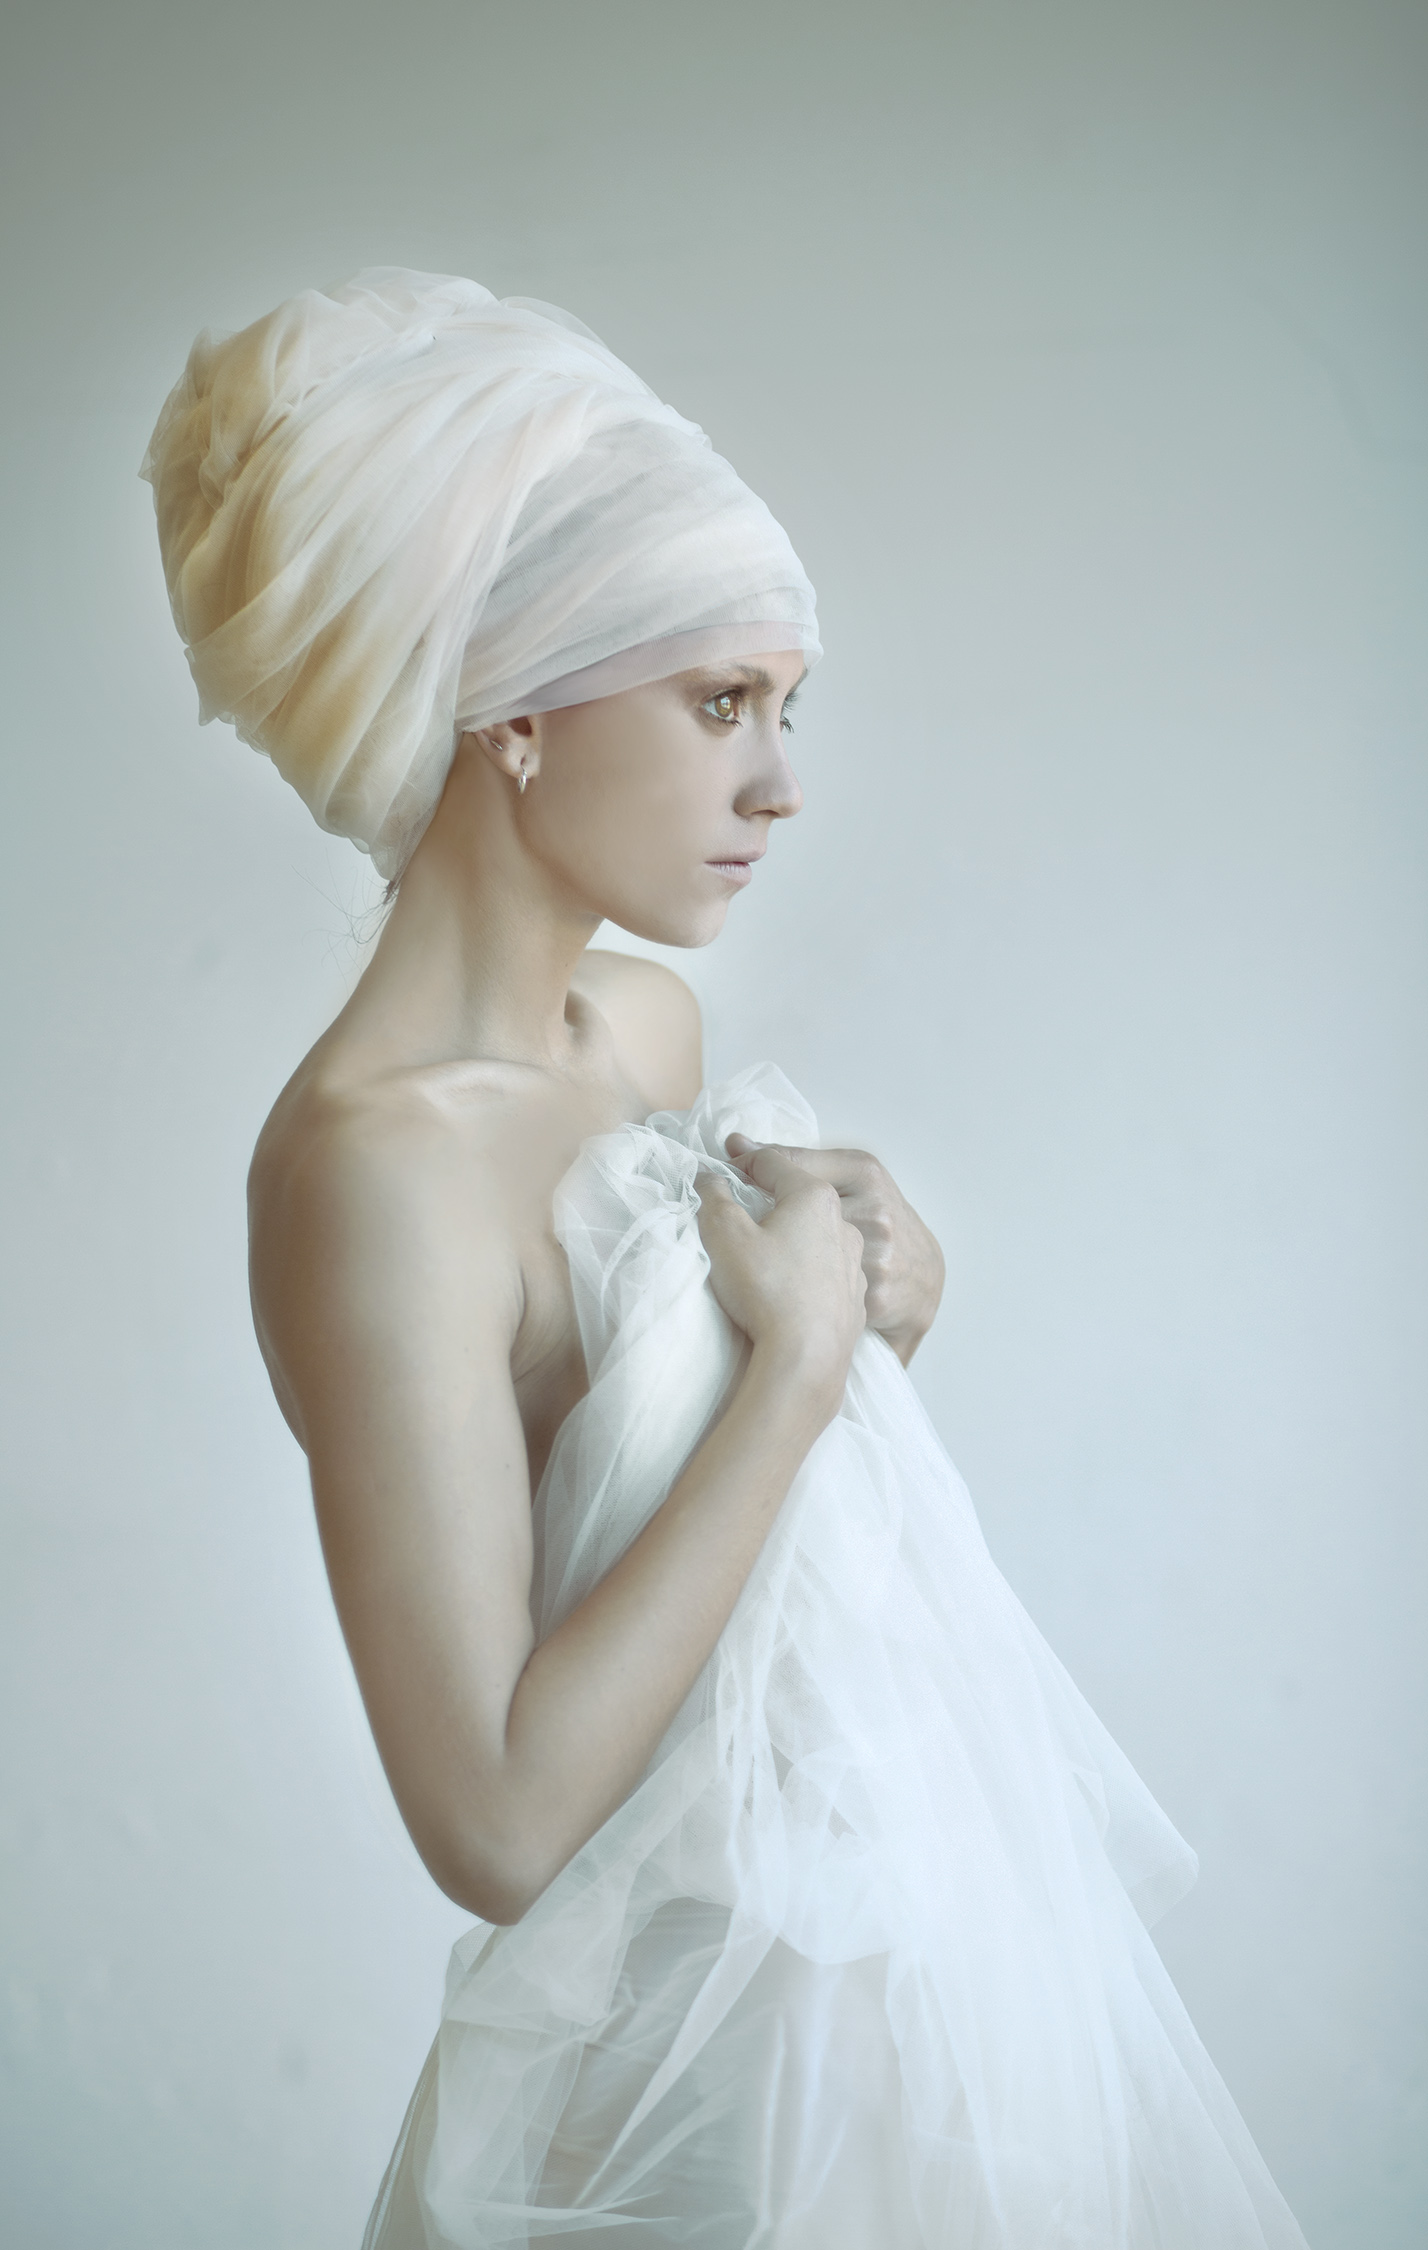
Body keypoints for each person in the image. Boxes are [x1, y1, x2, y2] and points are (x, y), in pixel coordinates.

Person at [142, 270, 1310, 2249]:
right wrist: (793, 1375)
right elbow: (499, 1822)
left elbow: (693, 1559)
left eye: (786, 708)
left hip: (883, 2021)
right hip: (660, 2119)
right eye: (717, 704)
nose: (781, 783)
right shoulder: (370, 1174)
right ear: (515, 709)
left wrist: (868, 1321)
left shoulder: (649, 1032)